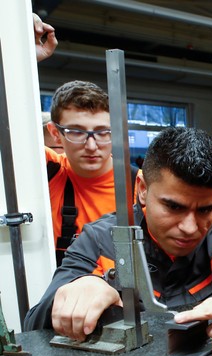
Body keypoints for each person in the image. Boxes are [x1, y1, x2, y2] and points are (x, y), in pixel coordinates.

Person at [24, 127, 212, 356]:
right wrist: (74, 292)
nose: (189, 227)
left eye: (205, 210)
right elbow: (33, 323)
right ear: (142, 188)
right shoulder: (100, 240)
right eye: (173, 206)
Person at [34, 14, 116, 265]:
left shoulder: (141, 185)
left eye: (102, 132)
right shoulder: (48, 172)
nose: (92, 146)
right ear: (55, 133)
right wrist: (23, 59)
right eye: (77, 132)